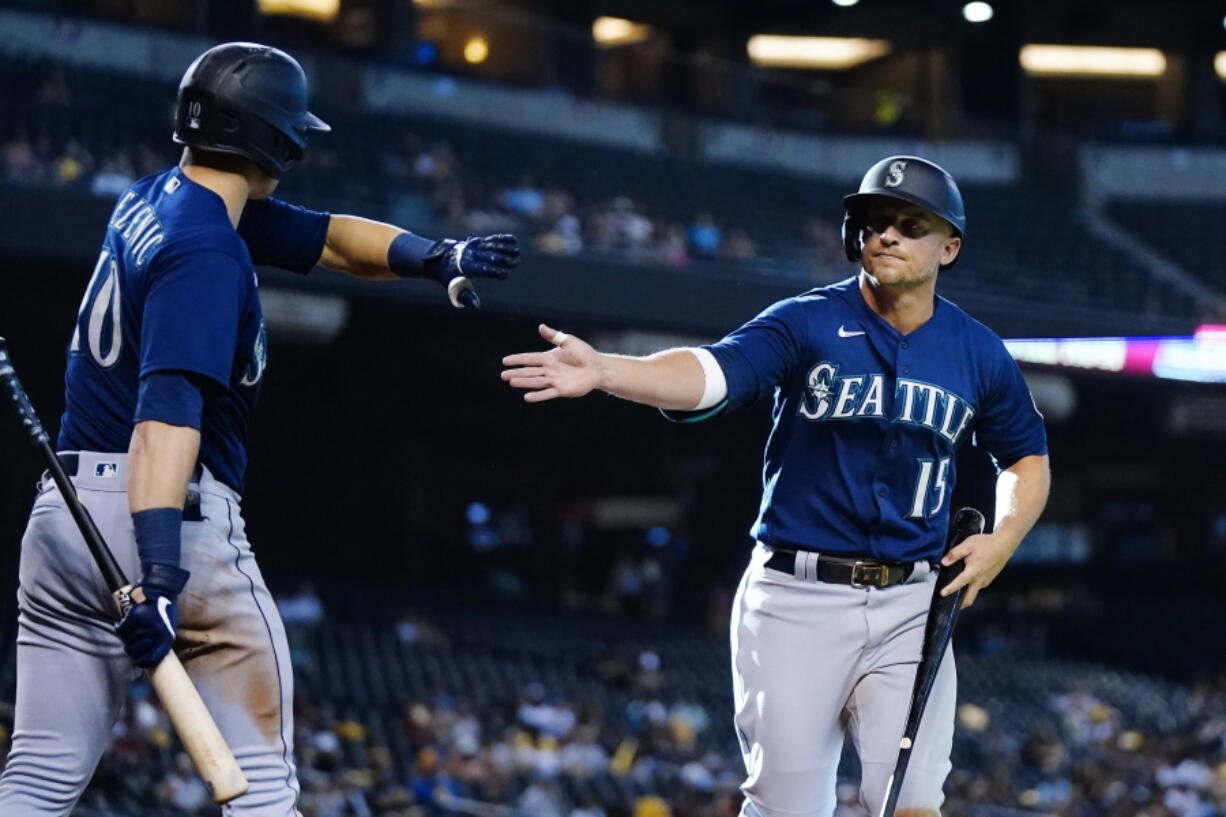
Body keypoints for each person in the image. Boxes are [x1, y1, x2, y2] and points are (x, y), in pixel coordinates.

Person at [0, 42, 518, 815]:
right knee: (263, 783)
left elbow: (328, 237)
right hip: (165, 514)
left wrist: (435, 256)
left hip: (65, 522)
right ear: (277, 140)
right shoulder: (208, 248)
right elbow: (166, 419)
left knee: (39, 774)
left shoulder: (156, 198)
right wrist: (161, 577)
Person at [502, 156, 1050, 817]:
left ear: (949, 247)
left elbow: (1026, 458)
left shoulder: (979, 351)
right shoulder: (806, 321)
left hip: (914, 601)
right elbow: (713, 372)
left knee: (911, 804)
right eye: (875, 221)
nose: (887, 235)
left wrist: (1004, 538)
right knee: (787, 807)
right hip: (796, 599)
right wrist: (607, 369)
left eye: (911, 224)